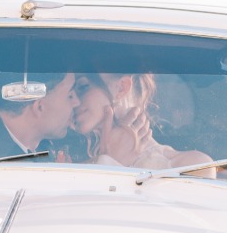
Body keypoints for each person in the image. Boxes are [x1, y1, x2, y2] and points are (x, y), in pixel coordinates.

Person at [71, 72, 212, 171]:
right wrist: (109, 162)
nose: (74, 100)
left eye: (83, 87)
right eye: (69, 92)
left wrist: (110, 163)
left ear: (122, 87)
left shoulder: (187, 166)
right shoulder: (72, 167)